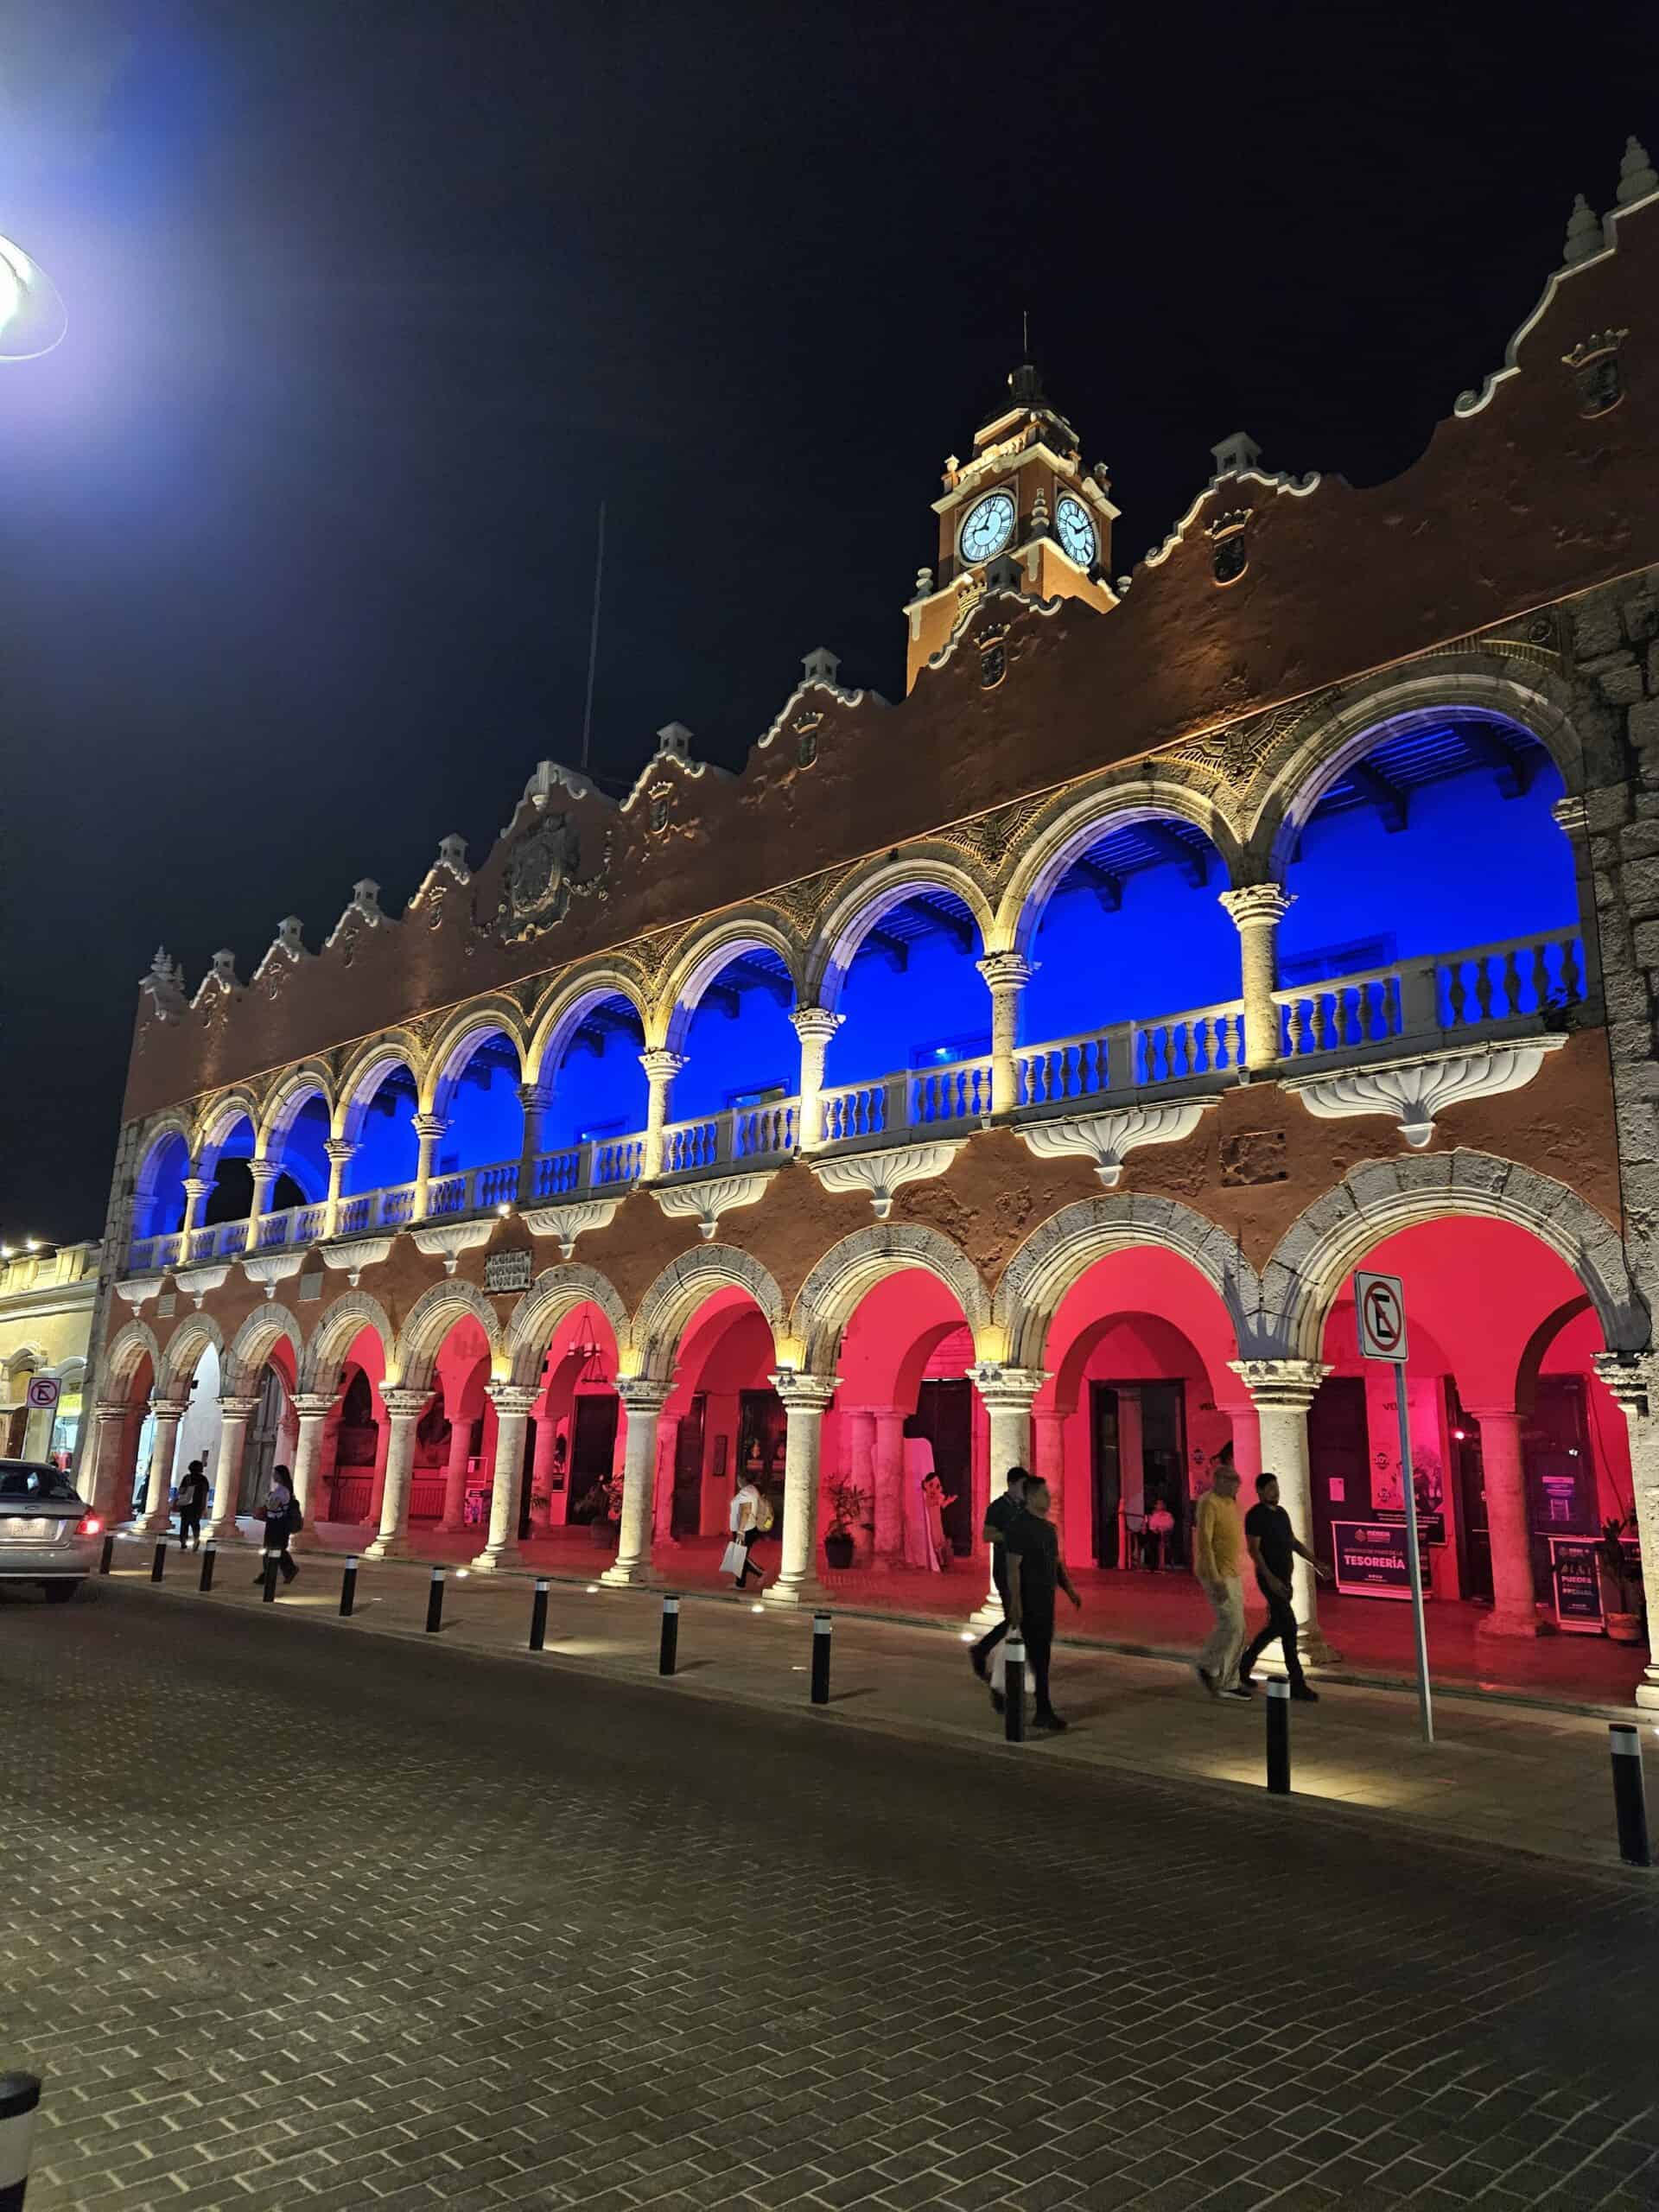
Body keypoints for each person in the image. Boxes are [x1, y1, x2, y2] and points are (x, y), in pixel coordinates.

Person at [1237, 1471, 1330, 1701]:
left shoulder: (1282, 1514)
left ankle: (1244, 1664)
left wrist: (1315, 1563)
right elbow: (1254, 1550)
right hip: (1270, 1579)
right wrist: (1269, 1578)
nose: (1274, 1492)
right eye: (1269, 1488)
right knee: (1289, 1627)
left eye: (1276, 1487)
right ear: (1260, 1491)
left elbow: (1293, 1542)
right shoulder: (1255, 1516)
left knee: (1276, 1627)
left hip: (1285, 1577)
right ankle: (1297, 1683)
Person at [1000, 1476, 1082, 1732]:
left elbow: (1056, 1563)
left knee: (1040, 1655)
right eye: (1044, 1494)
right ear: (1032, 1497)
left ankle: (1028, 1702)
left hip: (1046, 1601)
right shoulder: (1019, 1527)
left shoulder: (1049, 1530)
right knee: (1036, 1656)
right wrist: (1015, 1604)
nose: (1049, 1499)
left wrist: (1069, 1590)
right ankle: (1042, 1709)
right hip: (1029, 1601)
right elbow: (1012, 1568)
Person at [1192, 1459, 1248, 1700]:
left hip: (1231, 1572)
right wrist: (1215, 1579)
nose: (1237, 1489)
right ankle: (1216, 1672)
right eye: (1234, 1484)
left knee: (1237, 1627)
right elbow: (1205, 1542)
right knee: (1233, 1625)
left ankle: (1224, 1675)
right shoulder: (1209, 1502)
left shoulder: (1229, 1502)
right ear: (1221, 1481)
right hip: (1217, 1573)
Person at [970, 1465, 1028, 1683]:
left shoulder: (1022, 1507)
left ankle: (985, 1652)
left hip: (1020, 1571)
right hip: (1004, 1572)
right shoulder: (997, 1507)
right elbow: (987, 1534)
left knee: (1016, 1618)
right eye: (1023, 1486)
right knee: (1015, 1618)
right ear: (1012, 1485)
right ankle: (994, 1661)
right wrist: (1010, 1536)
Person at [254, 1465, 300, 1586]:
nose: (273, 1476)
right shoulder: (281, 1490)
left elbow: (272, 1507)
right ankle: (272, 1572)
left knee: (273, 1548)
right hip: (276, 1523)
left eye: (275, 1474)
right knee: (274, 1548)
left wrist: (268, 1500)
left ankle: (278, 1572)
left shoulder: (282, 1491)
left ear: (280, 1475)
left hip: (277, 1524)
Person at [725, 1472, 772, 1590]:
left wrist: (740, 1531)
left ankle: (760, 1573)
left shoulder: (747, 1492)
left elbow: (746, 1511)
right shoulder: (751, 1490)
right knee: (739, 1556)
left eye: (738, 1479)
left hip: (744, 1529)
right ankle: (740, 1583)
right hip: (746, 1528)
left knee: (739, 1556)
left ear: (741, 1480)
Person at [920, 1468, 957, 1572]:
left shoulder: (937, 1498)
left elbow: (943, 1505)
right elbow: (932, 1503)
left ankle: (944, 1562)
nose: (934, 1489)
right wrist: (939, 1497)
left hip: (939, 1524)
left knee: (942, 1542)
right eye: (931, 1485)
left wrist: (949, 1500)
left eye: (937, 1486)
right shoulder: (929, 1499)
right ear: (925, 1485)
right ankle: (940, 1562)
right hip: (933, 1526)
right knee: (937, 1543)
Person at [175, 1459, 209, 1553]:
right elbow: (205, 1494)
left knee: (184, 1524)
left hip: (186, 1505)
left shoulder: (187, 1478)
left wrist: (178, 1499)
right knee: (195, 1524)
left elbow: (181, 1491)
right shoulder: (203, 1479)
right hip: (197, 1505)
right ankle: (196, 1540)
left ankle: (183, 1542)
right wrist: (204, 1507)